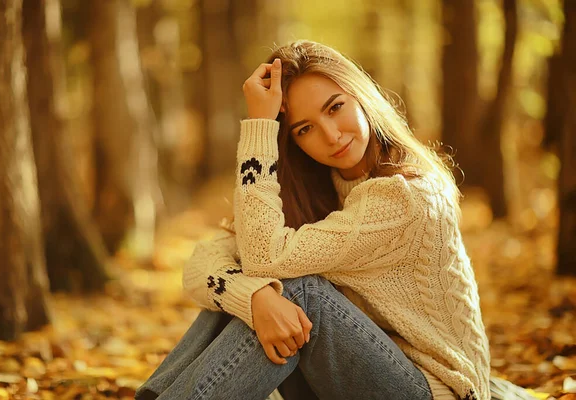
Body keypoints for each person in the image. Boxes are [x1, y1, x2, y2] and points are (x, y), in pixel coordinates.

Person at [135, 40, 491, 400]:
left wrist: (259, 124)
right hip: (347, 377)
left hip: (431, 390)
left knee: (295, 292)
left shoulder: (404, 196)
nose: (331, 135)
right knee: (256, 294)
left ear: (360, 94)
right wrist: (253, 298)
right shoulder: (321, 186)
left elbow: (262, 257)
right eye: (305, 129)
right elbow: (202, 263)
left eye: (335, 108)